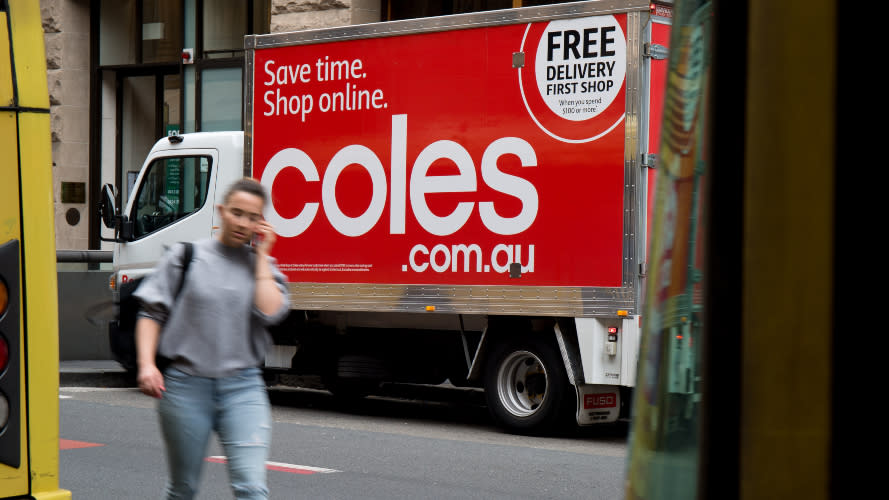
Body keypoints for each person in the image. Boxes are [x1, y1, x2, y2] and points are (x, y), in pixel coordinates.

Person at [134, 178, 289, 499]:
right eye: (237, 213)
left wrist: (262, 256)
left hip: (243, 388)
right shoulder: (186, 256)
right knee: (183, 489)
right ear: (221, 211)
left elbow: (271, 312)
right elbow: (151, 313)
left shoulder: (264, 268)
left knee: (252, 488)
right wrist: (147, 364)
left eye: (252, 217)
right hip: (186, 387)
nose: (243, 223)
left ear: (261, 222)